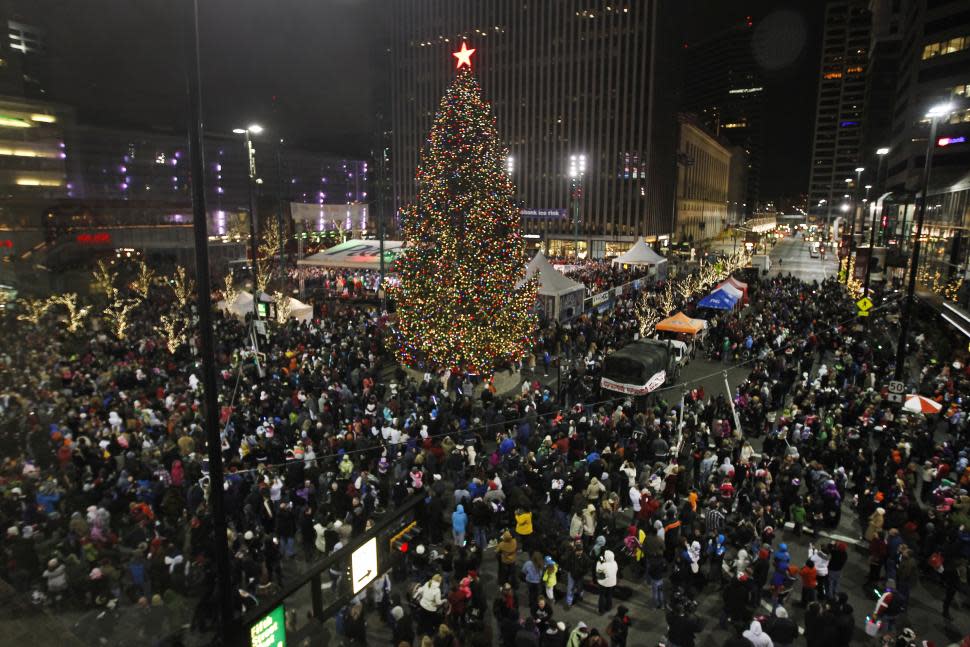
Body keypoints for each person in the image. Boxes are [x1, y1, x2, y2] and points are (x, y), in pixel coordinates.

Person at [595, 549, 618, 613]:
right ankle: (608, 607)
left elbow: (599, 573)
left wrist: (599, 562)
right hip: (612, 583)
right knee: (609, 595)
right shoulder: (615, 563)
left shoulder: (603, 564)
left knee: (602, 596)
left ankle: (601, 610)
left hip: (603, 583)